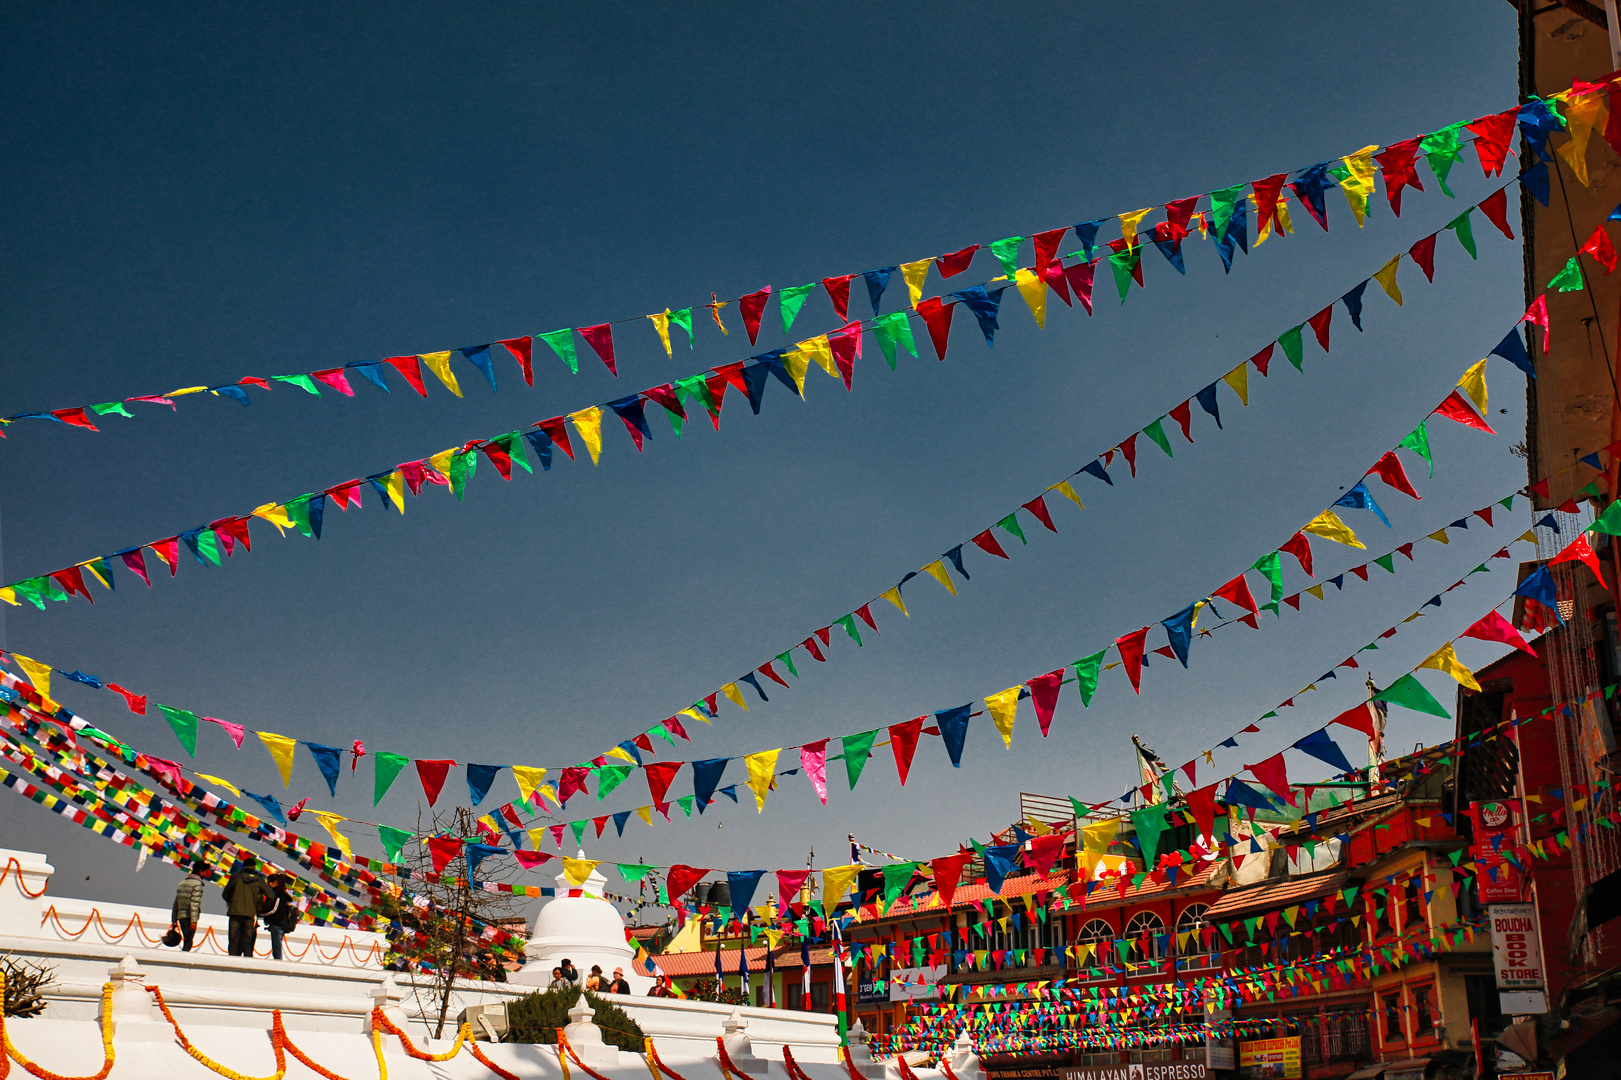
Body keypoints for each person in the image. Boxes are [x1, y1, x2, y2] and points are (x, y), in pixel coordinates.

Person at [221, 856, 270, 957]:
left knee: (234, 940)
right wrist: (260, 907)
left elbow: (225, 894)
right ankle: (247, 964)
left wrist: (232, 901)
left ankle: (232, 963)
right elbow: (271, 896)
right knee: (247, 942)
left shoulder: (235, 877)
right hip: (250, 914)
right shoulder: (259, 880)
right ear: (254, 867)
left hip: (234, 912)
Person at [169, 859, 205, 953]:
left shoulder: (182, 884)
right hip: (189, 916)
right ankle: (183, 958)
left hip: (181, 916)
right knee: (188, 941)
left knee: (186, 939)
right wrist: (194, 920)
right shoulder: (197, 884)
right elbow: (194, 903)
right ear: (201, 871)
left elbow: (176, 903)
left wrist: (174, 920)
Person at [259, 875, 298, 961]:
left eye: (269, 882)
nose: (268, 884)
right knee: (276, 945)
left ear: (275, 883)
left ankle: (278, 962)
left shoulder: (278, 895)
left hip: (277, 923)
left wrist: (260, 913)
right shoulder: (282, 895)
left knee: (277, 946)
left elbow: (273, 910)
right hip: (278, 923)